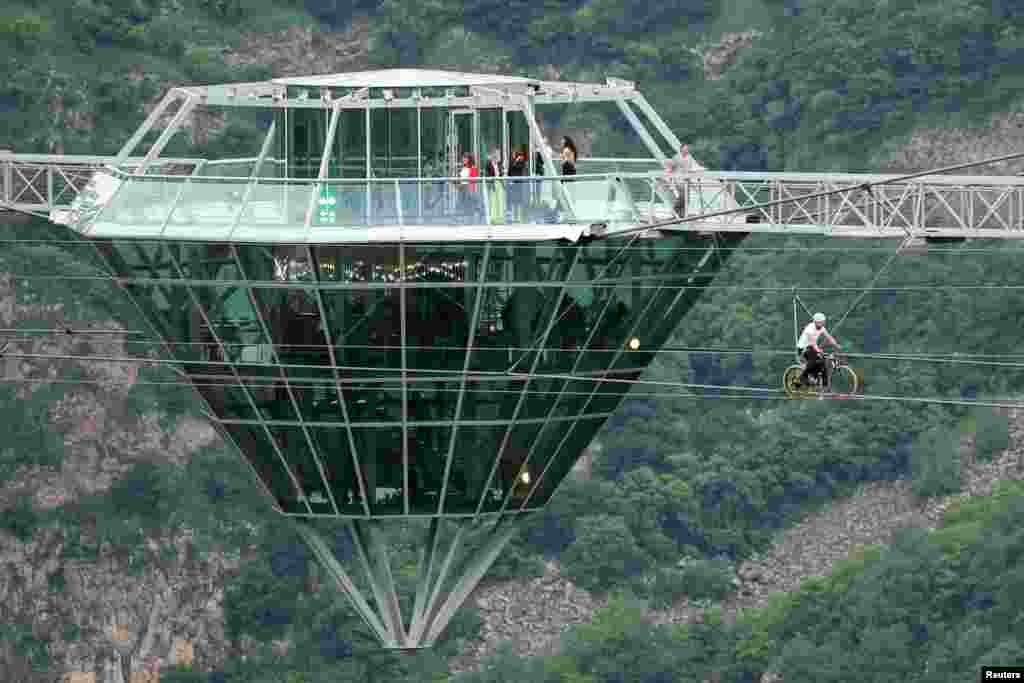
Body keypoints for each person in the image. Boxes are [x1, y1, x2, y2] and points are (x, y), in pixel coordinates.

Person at [795, 313, 840, 388]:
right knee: (814, 360)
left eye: (823, 322)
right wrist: (819, 351)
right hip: (803, 348)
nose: (822, 324)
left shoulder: (821, 328)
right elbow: (813, 344)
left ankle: (824, 384)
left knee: (822, 361)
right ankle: (801, 378)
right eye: (821, 322)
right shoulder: (809, 329)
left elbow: (828, 337)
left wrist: (836, 345)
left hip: (811, 347)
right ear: (816, 322)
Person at [484, 147, 506, 223]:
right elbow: (487, 174)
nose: (497, 155)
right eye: (496, 153)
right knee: (493, 201)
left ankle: (500, 218)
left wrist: (503, 174)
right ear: (492, 154)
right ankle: (493, 218)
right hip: (493, 183)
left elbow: (501, 173)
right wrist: (490, 183)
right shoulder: (488, 163)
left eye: (498, 153)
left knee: (500, 200)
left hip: (499, 183)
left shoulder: (499, 163)